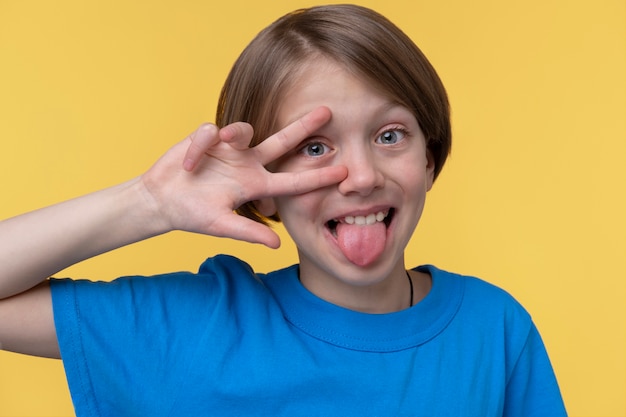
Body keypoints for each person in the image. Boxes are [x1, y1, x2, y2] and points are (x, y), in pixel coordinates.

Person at [0, 4, 567, 416]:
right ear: (263, 189)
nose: (362, 176)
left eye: (390, 135)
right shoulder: (195, 326)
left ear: (430, 159)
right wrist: (148, 204)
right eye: (315, 148)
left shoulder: (494, 329)